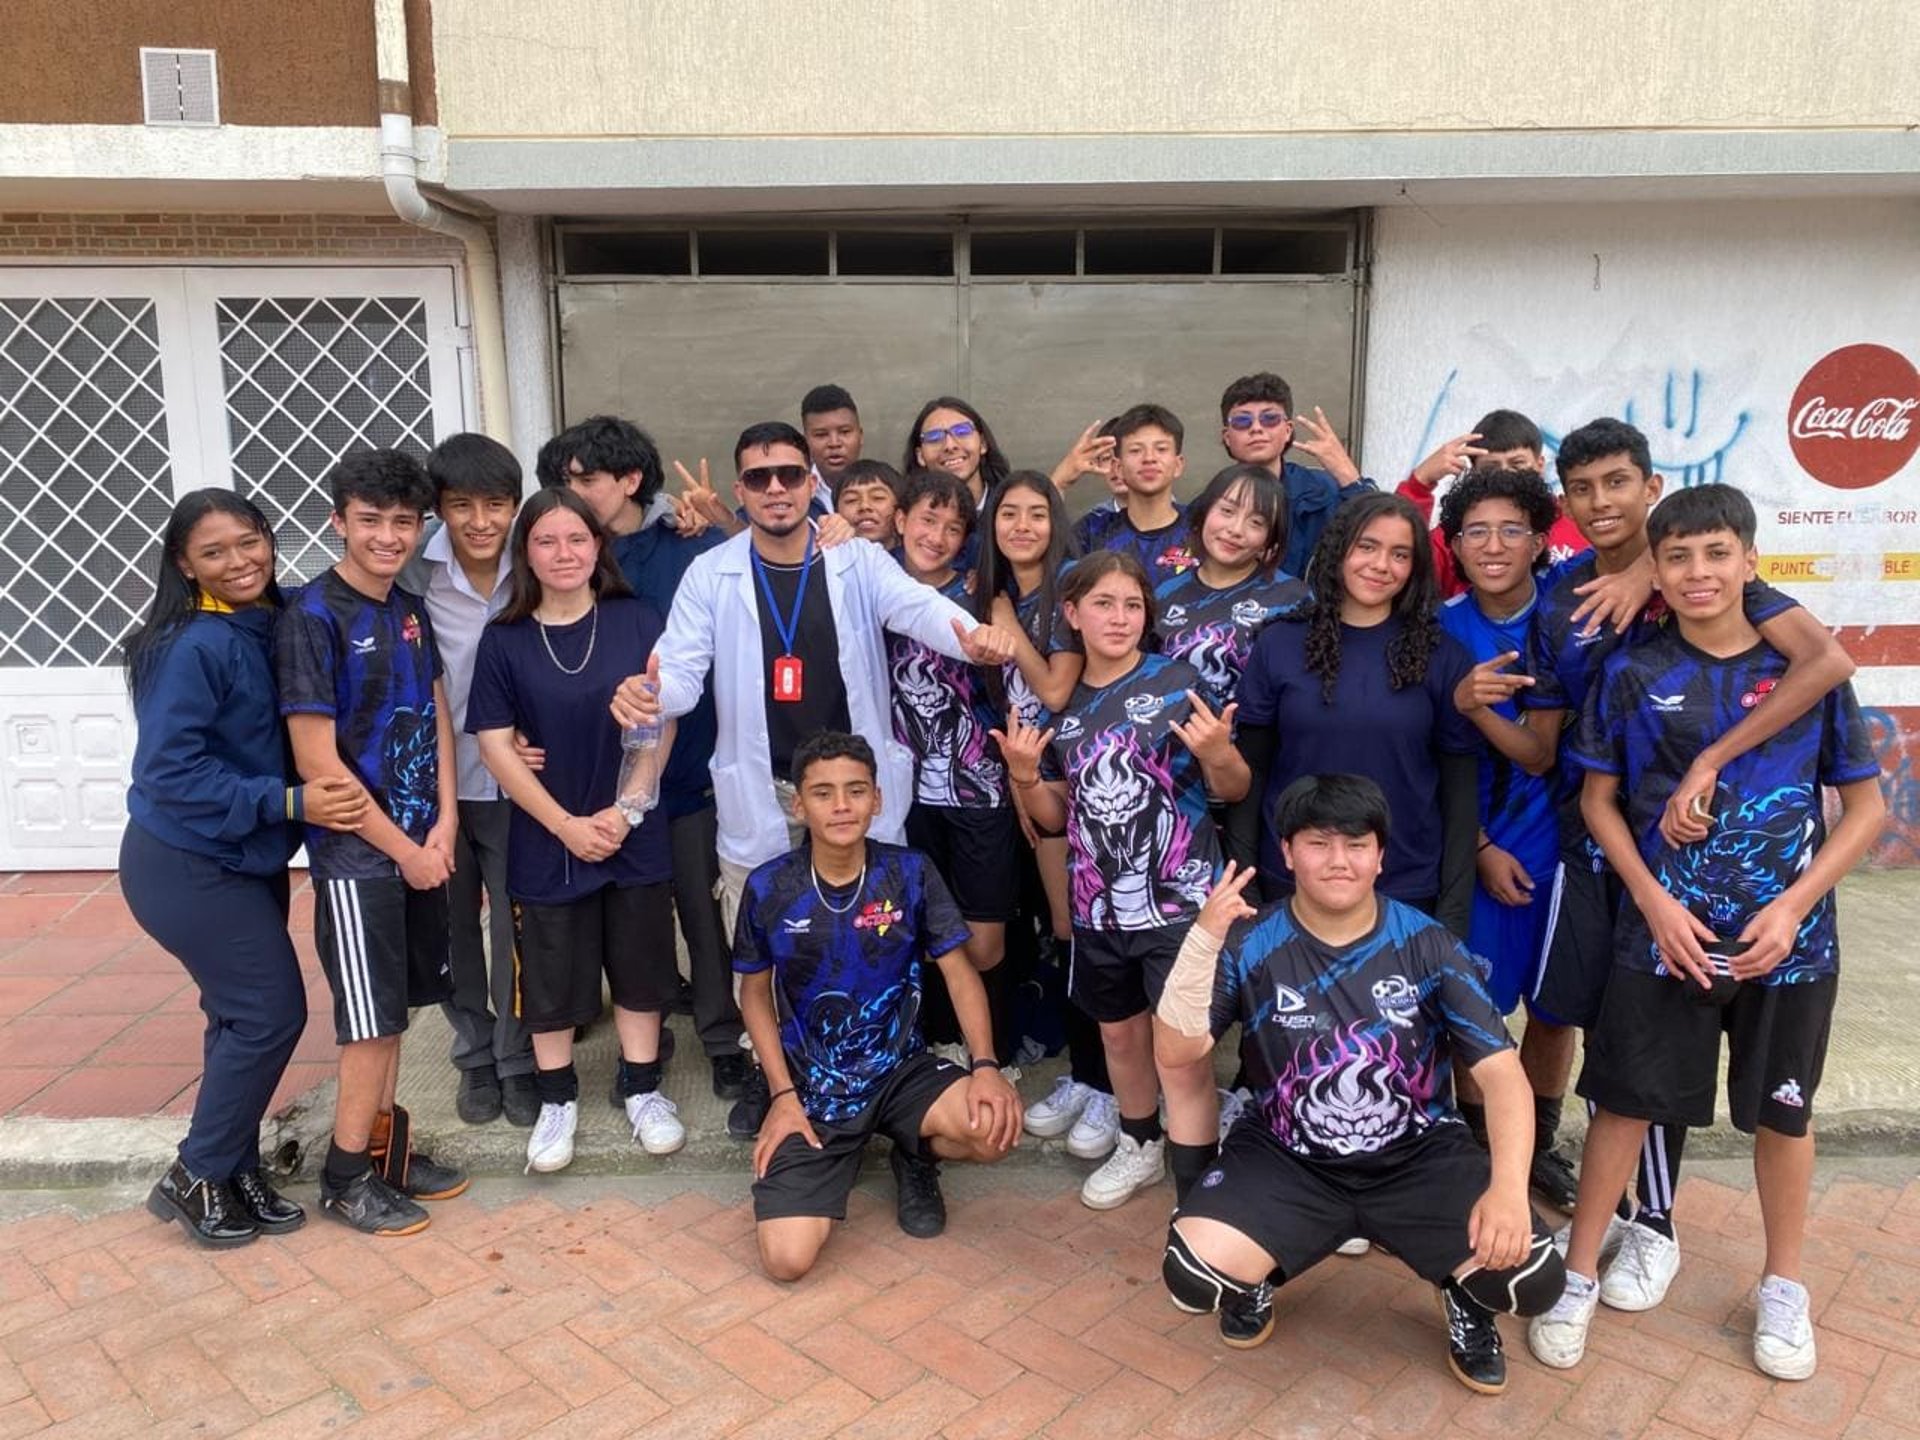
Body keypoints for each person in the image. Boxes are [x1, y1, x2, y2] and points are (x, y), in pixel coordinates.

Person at [1501, 417, 1857, 1311]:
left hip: (1712, 870)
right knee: (1610, 1043)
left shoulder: (1722, 582)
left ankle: (1653, 1224)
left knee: (1681, 1049)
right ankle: (1592, 1202)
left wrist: (1708, 760)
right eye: (1580, 489)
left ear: (1649, 487)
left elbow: (1826, 661)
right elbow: (1550, 750)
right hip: (1600, 853)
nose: (1599, 502)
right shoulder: (1559, 603)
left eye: (1617, 482)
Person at [610, 421, 1020, 1139]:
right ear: (741, 490)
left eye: (790, 476)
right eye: (760, 478)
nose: (776, 489)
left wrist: (968, 635)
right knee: (764, 946)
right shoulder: (714, 571)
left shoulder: (857, 560)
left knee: (878, 938)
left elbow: (917, 607)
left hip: (850, 793)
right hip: (764, 790)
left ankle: (894, 1072)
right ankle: (777, 1080)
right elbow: (680, 666)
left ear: (811, 485)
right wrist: (652, 695)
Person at [1155, 775, 1565, 1395]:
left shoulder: (1428, 944)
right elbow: (1177, 1051)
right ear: (1288, 853)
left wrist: (1509, 1190)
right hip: (1288, 1155)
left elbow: (1503, 1078)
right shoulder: (1249, 940)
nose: (1338, 861)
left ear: (1381, 855)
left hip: (1416, 1155)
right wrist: (1204, 937)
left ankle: (1466, 1301)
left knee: (1531, 1278)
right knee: (1194, 1275)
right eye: (1318, 843)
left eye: (1356, 844)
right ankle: (1259, 1270)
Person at [124, 490, 367, 1247]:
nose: (239, 562)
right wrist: (291, 799)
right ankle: (196, 1171)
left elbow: (347, 589)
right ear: (183, 564)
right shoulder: (195, 644)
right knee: (269, 1012)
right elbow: (171, 772)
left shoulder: (271, 615)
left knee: (234, 1016)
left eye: (249, 541)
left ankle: (231, 1166)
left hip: (244, 857)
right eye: (214, 552)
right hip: (186, 862)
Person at [995, 552, 1249, 1211]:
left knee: (1182, 1049)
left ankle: (1201, 1190)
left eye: (1132, 605)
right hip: (1098, 907)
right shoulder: (1061, 705)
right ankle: (1139, 1145)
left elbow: (1234, 785)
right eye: (1103, 604)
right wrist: (1024, 776)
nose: (1119, 617)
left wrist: (1219, 755)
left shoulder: (1180, 681)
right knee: (1119, 1035)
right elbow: (1054, 817)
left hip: (1179, 904)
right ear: (1073, 615)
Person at [739, 732, 1023, 1276]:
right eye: (822, 793)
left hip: (902, 1071)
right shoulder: (769, 886)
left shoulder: (911, 872)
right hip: (813, 1087)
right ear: (798, 805)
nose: (842, 806)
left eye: (855, 790)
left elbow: (961, 976)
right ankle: (829, 1161)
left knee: (993, 1130)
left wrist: (984, 1066)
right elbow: (753, 996)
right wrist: (781, 1095)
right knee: (786, 1260)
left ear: (878, 800)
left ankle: (916, 1153)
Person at [276, 450, 469, 1237]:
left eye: (402, 522)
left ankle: (386, 1150)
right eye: (370, 521)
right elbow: (318, 763)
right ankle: (346, 1174)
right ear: (338, 521)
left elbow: (434, 712)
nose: (387, 537)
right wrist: (405, 848)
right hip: (361, 858)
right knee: (369, 1022)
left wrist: (446, 821)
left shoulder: (407, 607)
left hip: (421, 842)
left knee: (398, 1012)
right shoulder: (312, 617)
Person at [468, 488, 685, 1171]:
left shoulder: (637, 619)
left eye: (577, 540)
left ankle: (642, 1089)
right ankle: (557, 1100)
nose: (563, 554)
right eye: (546, 542)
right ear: (525, 553)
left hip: (632, 822)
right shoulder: (504, 639)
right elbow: (495, 745)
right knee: (554, 970)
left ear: (598, 548)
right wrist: (565, 825)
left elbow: (662, 719)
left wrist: (628, 809)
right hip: (546, 828)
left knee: (640, 961)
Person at [548, 416, 747, 1101]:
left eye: (587, 478)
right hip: (589, 775)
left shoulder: (690, 548)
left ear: (631, 480)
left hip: (685, 767)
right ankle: (646, 1036)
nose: (572, 491)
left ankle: (726, 1039)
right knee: (631, 918)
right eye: (562, 481)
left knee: (702, 910)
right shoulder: (567, 553)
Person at [1229, 492, 1480, 930]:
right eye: (1367, 546)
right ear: (1338, 549)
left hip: (1405, 888)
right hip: (1290, 885)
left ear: (1415, 567)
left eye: (1400, 554)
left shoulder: (1444, 657)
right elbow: (1251, 779)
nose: (1382, 565)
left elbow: (1460, 796)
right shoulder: (1279, 645)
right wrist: (1246, 889)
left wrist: (1454, 914)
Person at [1434, 465, 1577, 1207]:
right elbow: (1429, 753)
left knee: (1555, 1011)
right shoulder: (1441, 627)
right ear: (1454, 545)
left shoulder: (1572, 609)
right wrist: (1483, 846)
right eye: (1476, 531)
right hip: (1480, 847)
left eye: (1511, 529)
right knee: (1475, 1011)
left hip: (1572, 846)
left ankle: (1541, 1146)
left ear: (1539, 539)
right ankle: (1483, 1146)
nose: (1493, 545)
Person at [972, 472, 1118, 1157]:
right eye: (1009, 514)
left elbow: (1056, 688)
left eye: (1037, 513)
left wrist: (1009, 631)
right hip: (1028, 780)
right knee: (1058, 930)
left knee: (1075, 929)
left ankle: (1102, 1084)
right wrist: (1016, 779)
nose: (1022, 525)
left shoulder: (1062, 592)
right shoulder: (999, 592)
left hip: (1080, 780)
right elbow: (1008, 707)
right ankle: (1085, 1074)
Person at [400, 433, 537, 1128]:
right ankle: (474, 1053)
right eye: (462, 506)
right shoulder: (412, 573)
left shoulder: (537, 560)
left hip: (520, 783)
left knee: (519, 926)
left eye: (495, 504)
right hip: (436, 787)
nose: (480, 521)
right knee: (452, 926)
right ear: (439, 509)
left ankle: (516, 1061)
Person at [886, 470, 1021, 1061]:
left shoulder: (980, 595)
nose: (937, 536)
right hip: (902, 796)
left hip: (978, 790)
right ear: (900, 521)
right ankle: (936, 1044)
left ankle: (986, 1046)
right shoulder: (871, 587)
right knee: (915, 932)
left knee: (985, 942)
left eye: (953, 527)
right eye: (927, 520)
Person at [1154, 463, 1307, 709]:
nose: (1235, 530)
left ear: (1270, 538)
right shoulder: (1164, 595)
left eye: (1256, 522)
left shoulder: (1292, 599)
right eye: (1227, 511)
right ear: (1204, 512)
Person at [1399, 408, 1587, 597]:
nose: (1506, 474)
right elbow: (1400, 567)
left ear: (1540, 465)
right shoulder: (1455, 535)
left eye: (1517, 464)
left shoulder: (1579, 521)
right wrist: (1419, 484)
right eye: (1491, 467)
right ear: (1474, 473)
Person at [1216, 373, 1375, 576]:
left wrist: (1348, 474)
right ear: (1227, 437)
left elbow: (1379, 535)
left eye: (1270, 418)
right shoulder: (1212, 503)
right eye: (1242, 421)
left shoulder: (1323, 489)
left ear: (1288, 430)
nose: (1256, 428)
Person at [1072, 403, 1199, 584]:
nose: (1149, 458)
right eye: (1135, 450)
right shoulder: (1092, 531)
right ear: (1118, 467)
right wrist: (1062, 479)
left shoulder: (1202, 527)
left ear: (1178, 465)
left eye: (1161, 449)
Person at [801, 382, 864, 488]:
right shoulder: (793, 491)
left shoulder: (886, 489)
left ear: (861, 436)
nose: (834, 443)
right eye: (821, 435)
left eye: (844, 432)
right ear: (805, 442)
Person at [832, 458, 904, 548]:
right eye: (851, 500)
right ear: (836, 512)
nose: (864, 506)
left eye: (878, 497)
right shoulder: (827, 559)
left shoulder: (917, 559)